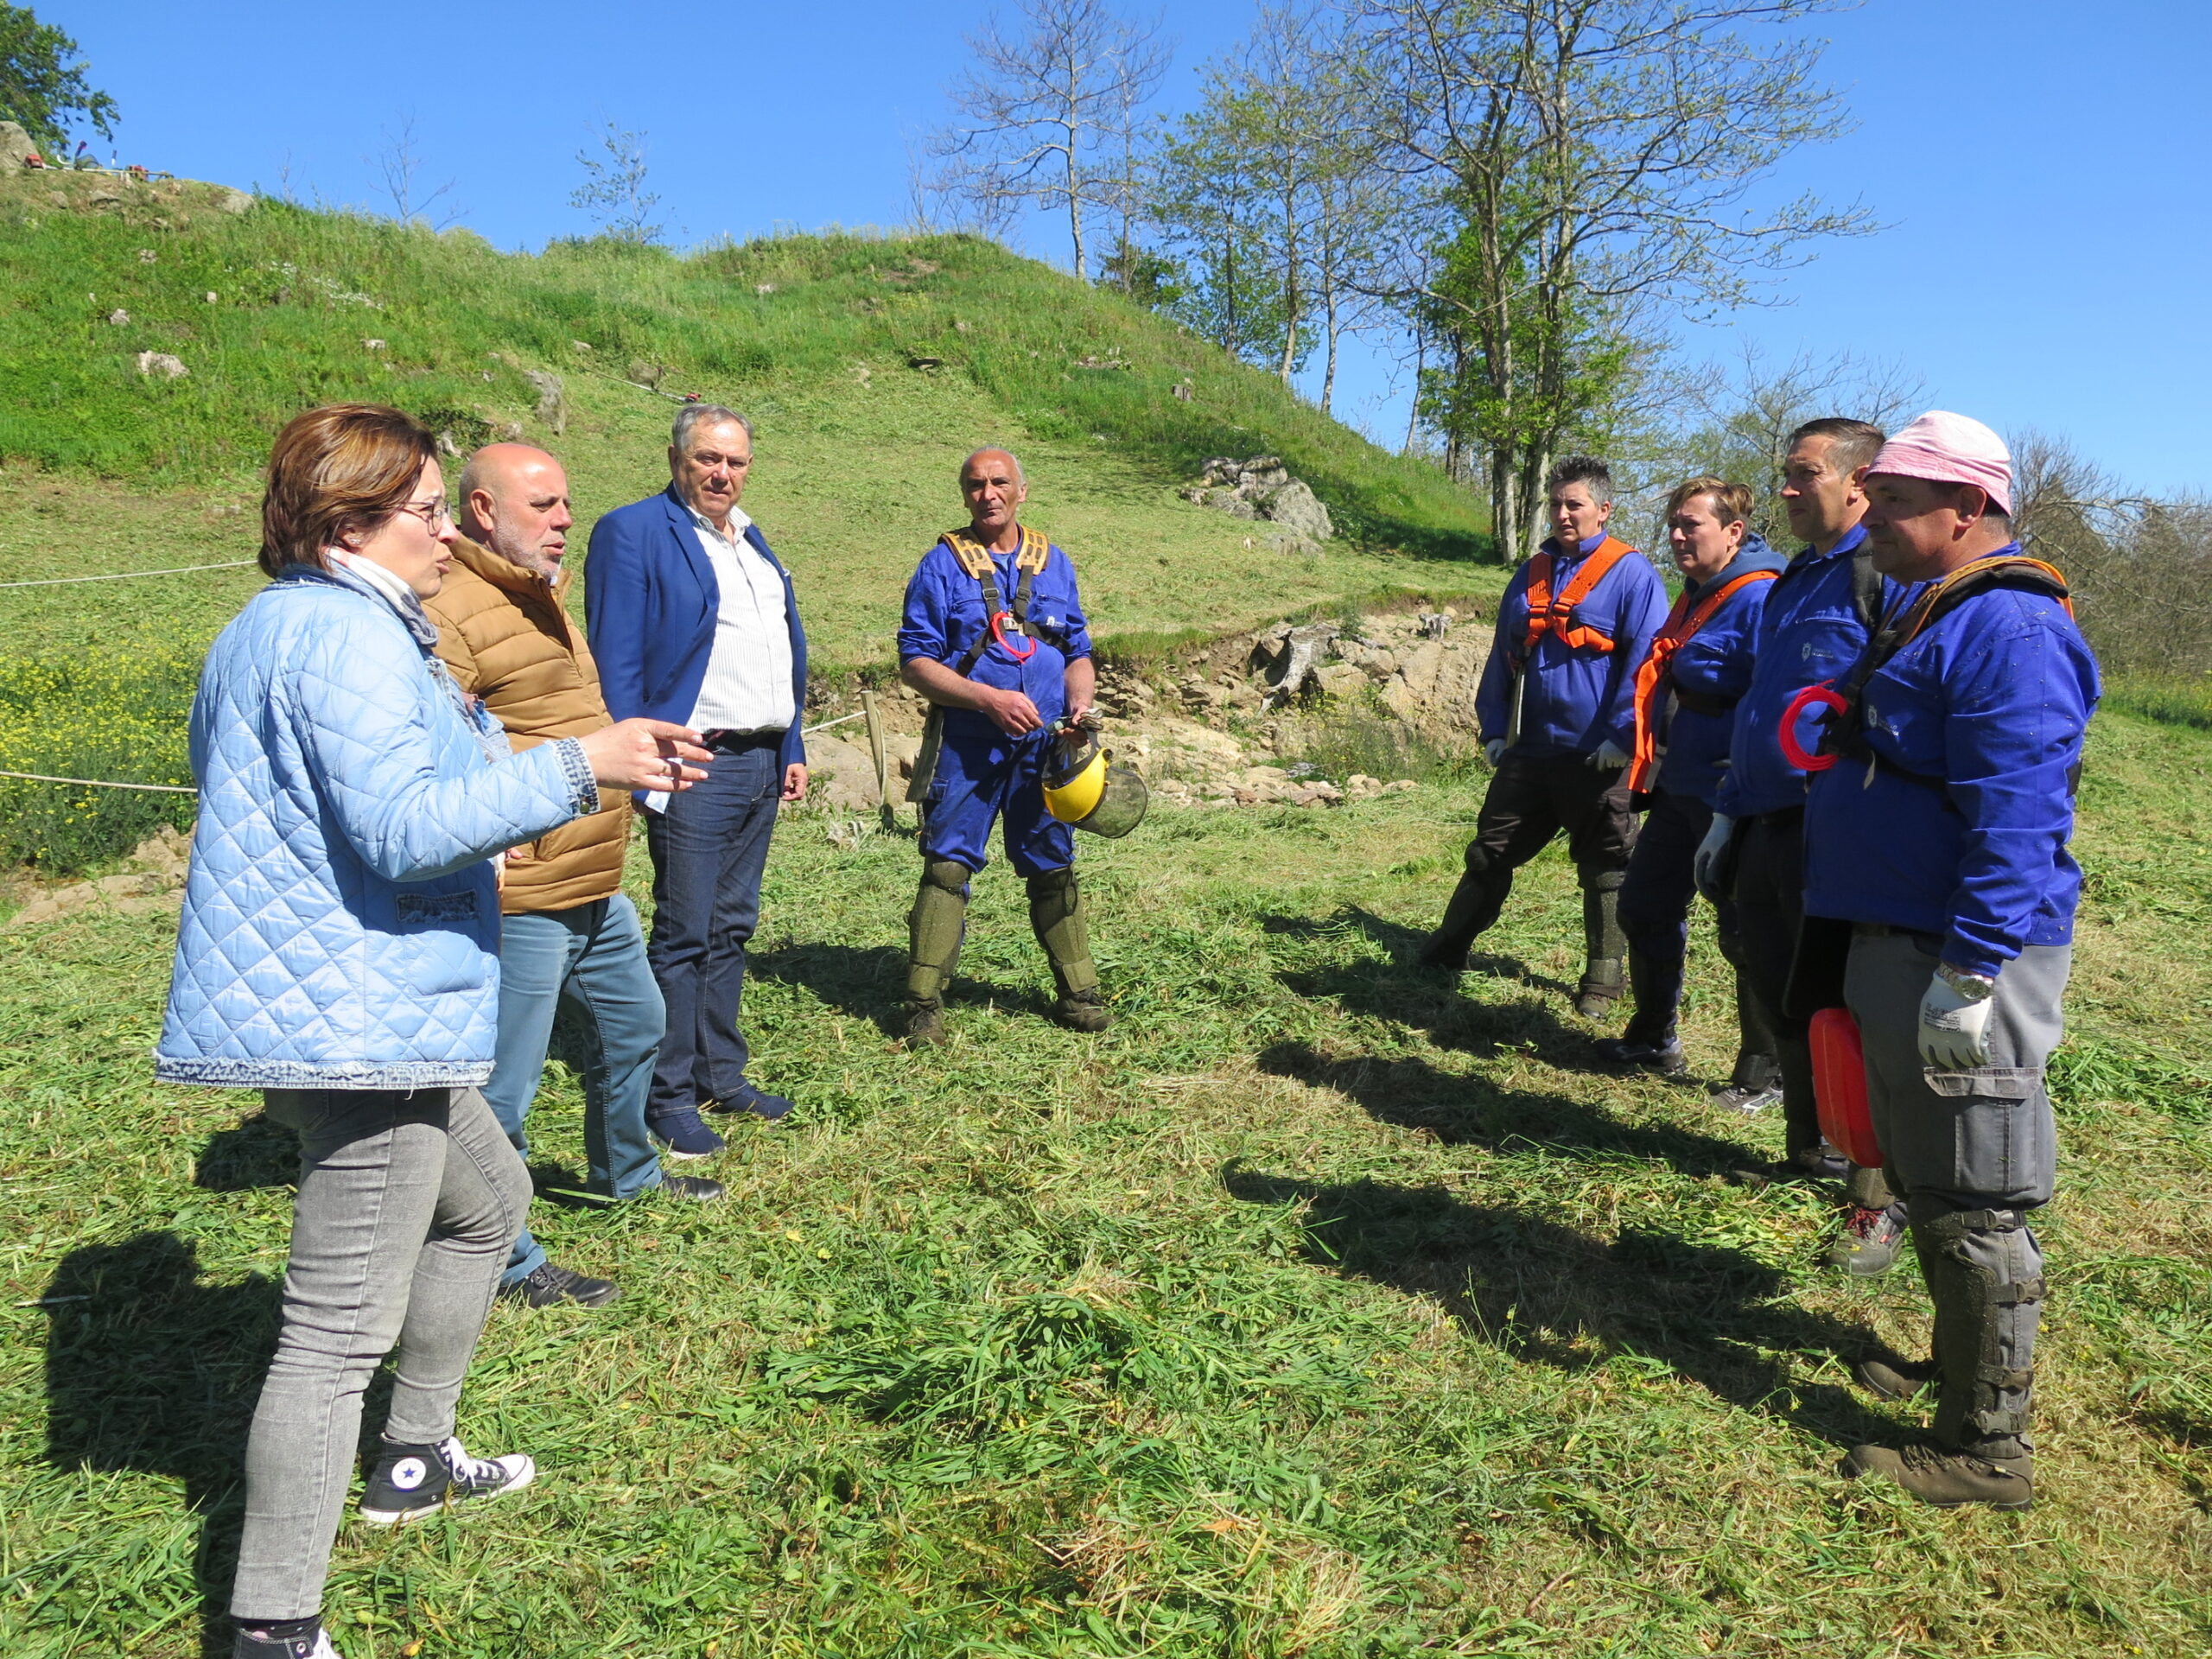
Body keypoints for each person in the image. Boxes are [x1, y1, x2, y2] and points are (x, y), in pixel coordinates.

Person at [154, 404, 709, 1659]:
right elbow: (400, 830)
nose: (445, 535)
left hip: (349, 997)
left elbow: (326, 799)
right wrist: (581, 765)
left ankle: (413, 1456)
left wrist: (479, 795)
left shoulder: (270, 628)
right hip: (362, 1017)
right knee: (334, 1331)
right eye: (421, 511)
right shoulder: (346, 637)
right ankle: (273, 1625)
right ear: (347, 524)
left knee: (489, 1199)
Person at [1793, 411, 2097, 1508]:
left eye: (1893, 500)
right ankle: (1959, 1373)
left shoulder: (2011, 629)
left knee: (1976, 1199)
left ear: (1967, 509)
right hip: (1904, 941)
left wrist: (1971, 972)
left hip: (1960, 957)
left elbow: (2020, 814)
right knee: (1932, 1179)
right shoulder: (1932, 608)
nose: (1866, 514)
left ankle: (1988, 1450)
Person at [425, 443, 723, 1314]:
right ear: (484, 510)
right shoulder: (452, 606)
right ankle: (504, 1259)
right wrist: (489, 827)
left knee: (636, 1025)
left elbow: (554, 716)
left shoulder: (536, 591)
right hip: (524, 894)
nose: (564, 520)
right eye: (543, 505)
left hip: (592, 877)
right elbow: (440, 739)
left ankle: (625, 1175)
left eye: (565, 504)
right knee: (503, 1091)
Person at [1694, 418, 1908, 1273]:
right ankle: (1803, 1148)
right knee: (1779, 993)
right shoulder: (1792, 576)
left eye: (1803, 474)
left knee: (1852, 1014)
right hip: (1762, 820)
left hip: (1834, 831)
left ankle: (1873, 1203)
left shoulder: (1882, 575)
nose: (1785, 489)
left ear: (1857, 482)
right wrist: (1726, 814)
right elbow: (1761, 699)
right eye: (1785, 473)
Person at [586, 405, 810, 1159]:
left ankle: (720, 1072)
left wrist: (791, 743)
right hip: (693, 762)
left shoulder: (750, 538)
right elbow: (617, 658)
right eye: (708, 459)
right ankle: (668, 1095)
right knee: (684, 932)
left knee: (732, 924)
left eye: (735, 462)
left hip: (760, 759)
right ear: (676, 458)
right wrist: (641, 757)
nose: (722, 474)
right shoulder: (633, 531)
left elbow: (778, 649)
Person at [1421, 456, 1666, 1015]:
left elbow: (1648, 662)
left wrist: (1623, 736)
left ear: (1604, 509)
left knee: (1606, 868)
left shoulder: (1633, 574)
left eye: (1574, 504)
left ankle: (1603, 981)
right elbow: (1503, 653)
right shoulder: (1532, 571)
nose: (1562, 514)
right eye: (1555, 503)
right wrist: (1493, 727)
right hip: (1529, 751)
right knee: (1489, 852)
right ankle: (1449, 947)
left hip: (1598, 755)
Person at [896, 448, 1103, 1045]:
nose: (987, 494)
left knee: (1053, 865)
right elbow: (915, 662)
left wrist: (1079, 706)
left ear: (1021, 491)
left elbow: (1078, 651)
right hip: (967, 745)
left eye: (999, 482)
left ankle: (1079, 995)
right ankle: (922, 1004)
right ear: (964, 493)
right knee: (947, 868)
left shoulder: (1054, 562)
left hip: (1043, 749)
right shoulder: (940, 566)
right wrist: (987, 700)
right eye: (975, 484)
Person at [1599, 478, 1784, 1081]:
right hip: (1680, 783)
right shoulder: (1697, 593)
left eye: (1691, 525)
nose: (1678, 536)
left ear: (1734, 532)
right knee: (1643, 905)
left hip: (1731, 791)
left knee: (1745, 932)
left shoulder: (1759, 598)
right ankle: (1655, 1039)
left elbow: (1774, 700)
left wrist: (1743, 786)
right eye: (1673, 525)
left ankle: (1765, 1070)